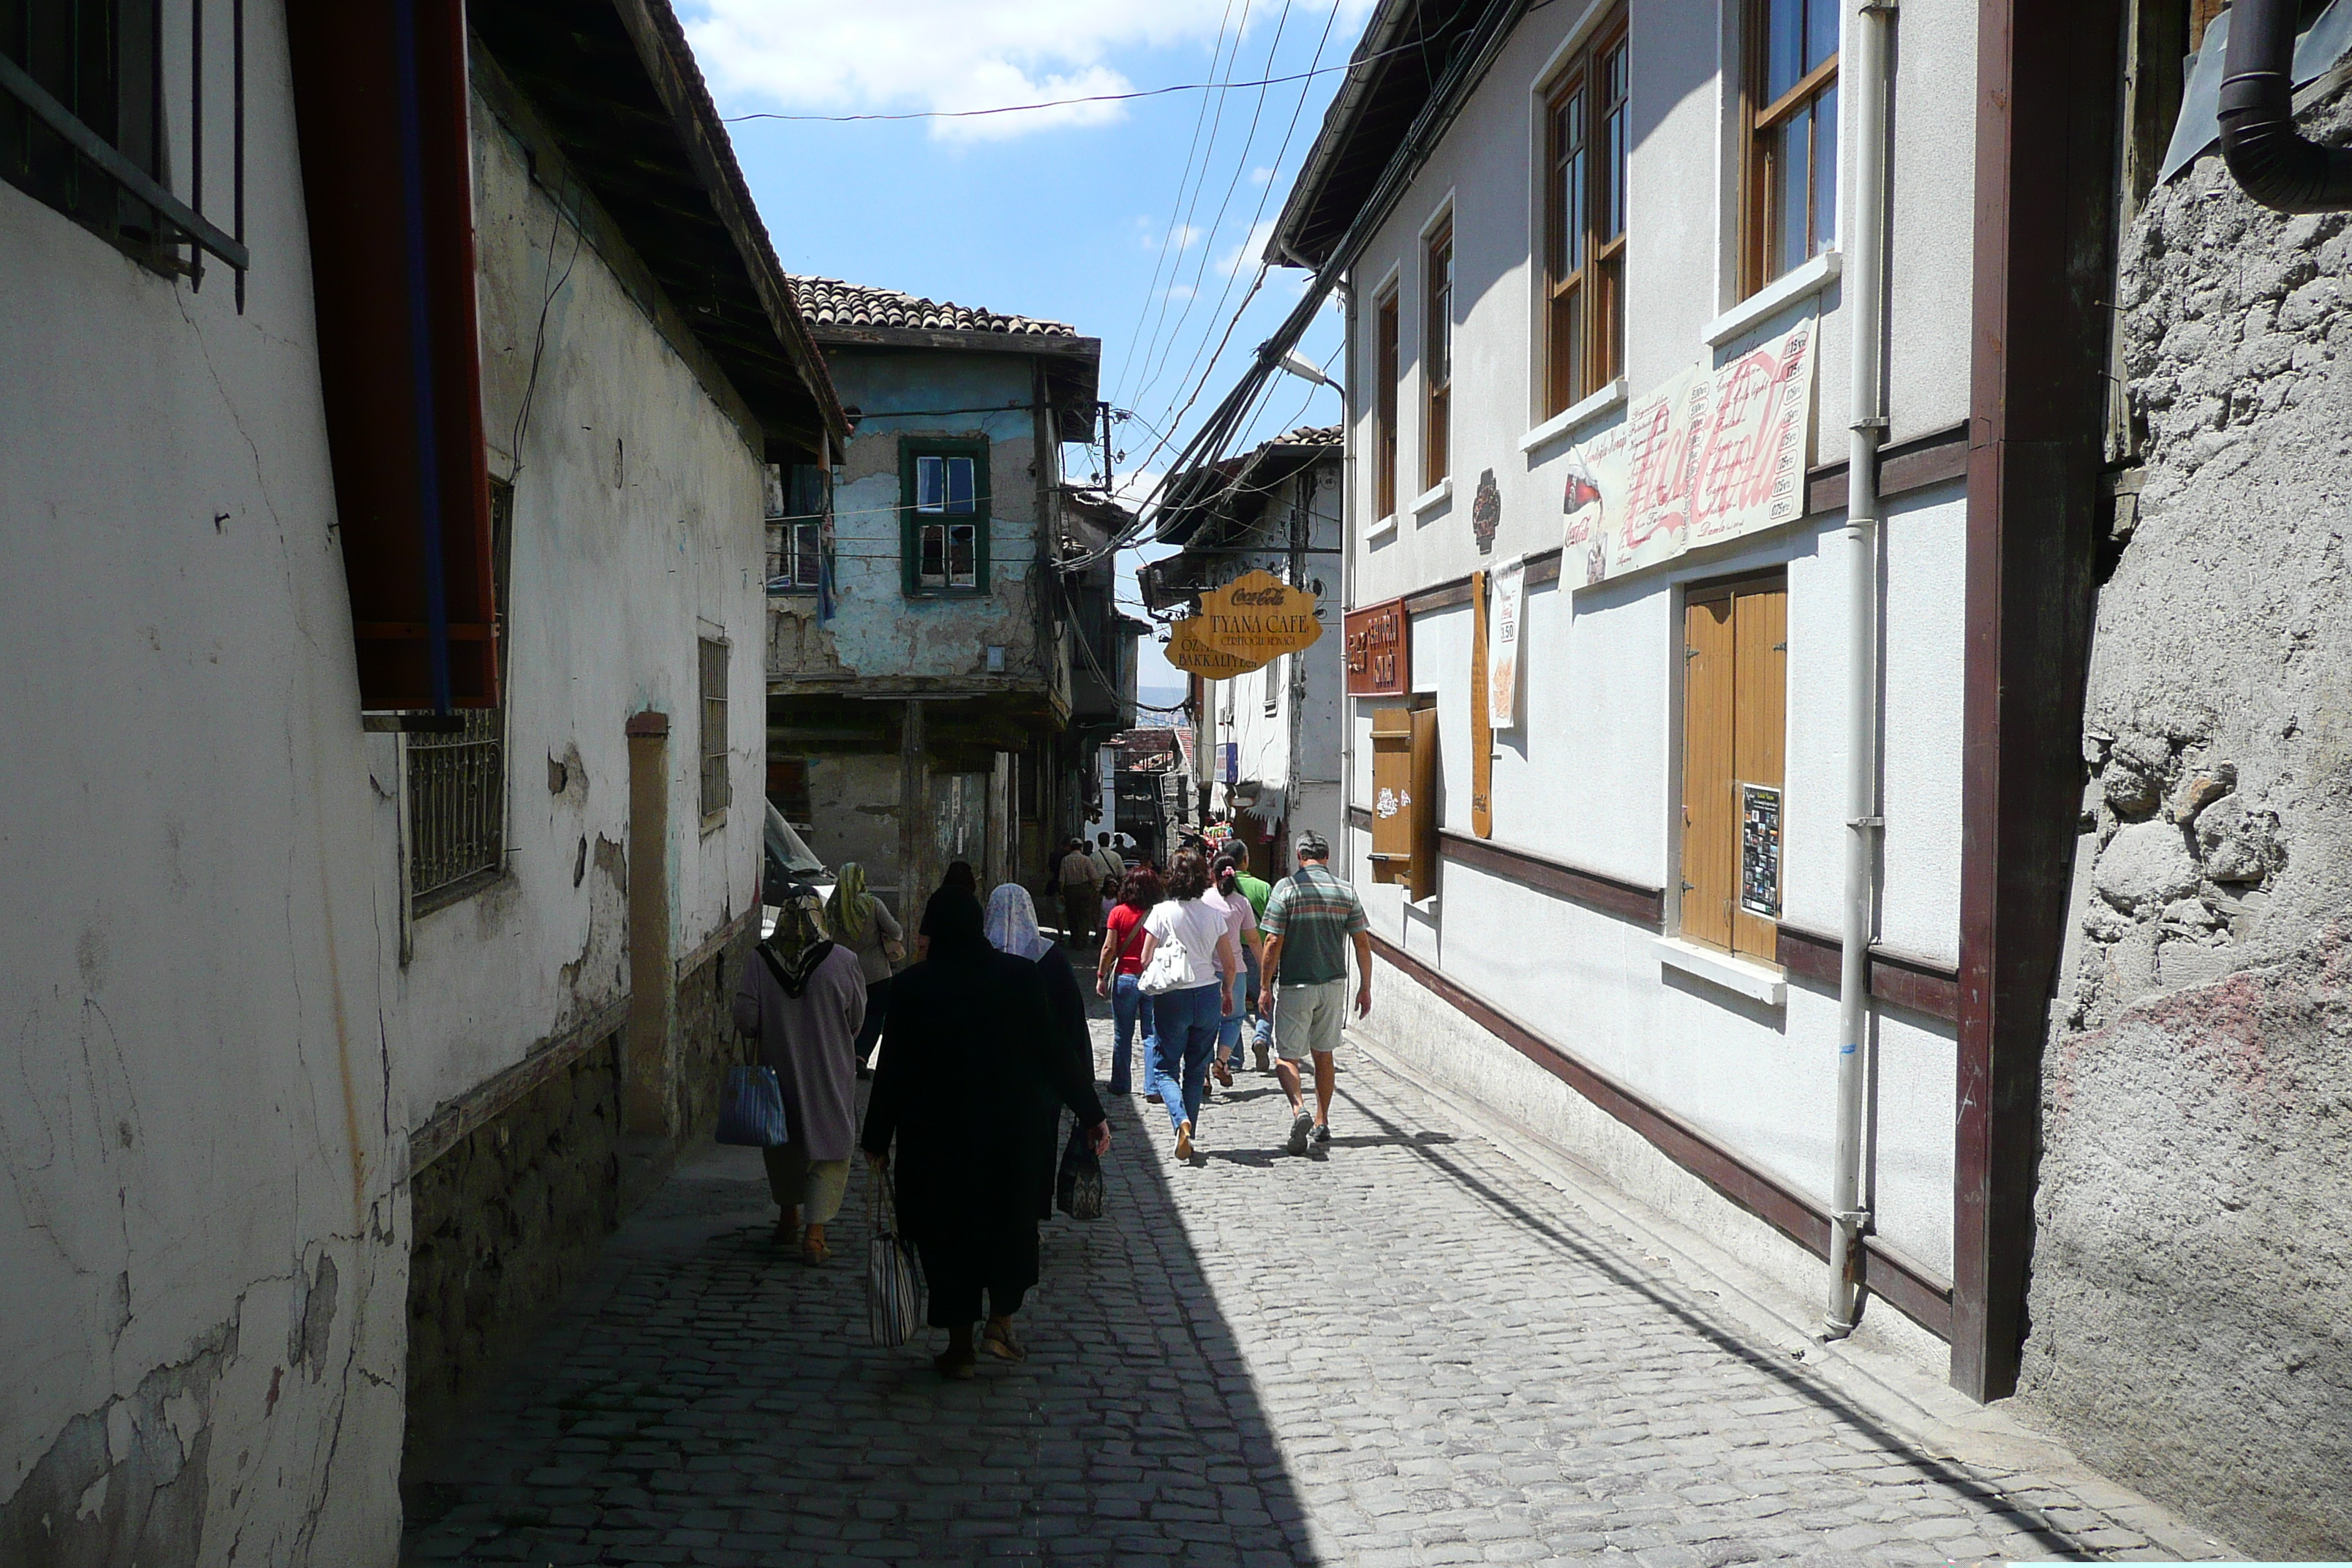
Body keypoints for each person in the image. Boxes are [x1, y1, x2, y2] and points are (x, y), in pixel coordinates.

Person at [862, 891, 1110, 1379]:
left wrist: (876, 1138)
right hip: (1011, 1138)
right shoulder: (1018, 977)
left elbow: (892, 1069)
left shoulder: (912, 986)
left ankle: (959, 1347)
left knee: (945, 1237)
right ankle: (1000, 1322)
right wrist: (1091, 1112)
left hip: (936, 1140)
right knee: (1010, 1229)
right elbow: (1055, 1050)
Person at [731, 902, 867, 1264]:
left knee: (783, 1143)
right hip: (829, 1070)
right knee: (829, 1146)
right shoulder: (843, 960)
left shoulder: (760, 961)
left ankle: (788, 1219)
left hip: (778, 1072)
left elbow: (746, 1020)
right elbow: (857, 1019)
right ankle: (815, 1234)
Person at [985, 885, 1096, 1224]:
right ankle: (1030, 1217)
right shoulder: (1051, 959)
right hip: (1043, 1078)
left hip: (990, 1075)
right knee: (1039, 1146)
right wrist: (1083, 1086)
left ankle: (993, 1211)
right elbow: (1073, 1021)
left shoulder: (978, 959)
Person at [1257, 831, 1372, 1154]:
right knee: (1325, 1055)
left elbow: (1272, 942)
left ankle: (1299, 1109)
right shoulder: (1345, 891)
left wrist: (1265, 986)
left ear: (1299, 857)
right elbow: (1362, 942)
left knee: (1286, 1056)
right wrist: (1365, 986)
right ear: (1327, 856)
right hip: (1334, 985)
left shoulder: (1286, 889)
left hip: (1296, 985)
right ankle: (1322, 1121)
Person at [1135, 848, 1240, 1162]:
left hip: (1174, 996)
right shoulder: (1214, 914)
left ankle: (1179, 1120)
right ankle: (1189, 1130)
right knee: (1196, 1069)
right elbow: (1229, 963)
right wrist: (1228, 991)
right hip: (1207, 992)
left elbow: (1144, 958)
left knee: (1166, 1068)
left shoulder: (1162, 912)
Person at [823, 862, 902, 1074]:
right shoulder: (873, 904)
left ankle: (841, 1057)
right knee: (875, 1015)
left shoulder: (831, 907)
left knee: (844, 1017)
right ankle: (861, 1056)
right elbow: (896, 931)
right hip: (876, 973)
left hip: (841, 972)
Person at [1094, 864, 1164, 1097]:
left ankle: (1121, 1083)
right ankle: (1153, 1085)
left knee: (1122, 1034)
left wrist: (1101, 976)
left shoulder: (1118, 912)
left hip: (1125, 977)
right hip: (1153, 978)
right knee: (1152, 1034)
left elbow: (1108, 948)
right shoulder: (1160, 912)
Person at [1207, 855, 1262, 1090]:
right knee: (1233, 1019)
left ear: (1213, 873)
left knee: (1204, 1024)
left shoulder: (1202, 900)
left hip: (1206, 970)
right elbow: (1253, 938)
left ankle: (1203, 1074)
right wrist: (1264, 968)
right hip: (1237, 971)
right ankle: (1222, 1061)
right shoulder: (1241, 903)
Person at [1229, 855, 1276, 1070]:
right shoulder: (1263, 887)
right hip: (1259, 952)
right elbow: (1274, 925)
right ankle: (1261, 1038)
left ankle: (1234, 1057)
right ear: (1246, 860)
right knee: (1264, 998)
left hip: (1230, 954)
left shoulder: (1220, 890)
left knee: (1232, 1006)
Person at [913, 861, 979, 962]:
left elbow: (925, 932)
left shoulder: (938, 897)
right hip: (967, 958)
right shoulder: (971, 900)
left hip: (938, 957)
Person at [1058, 839, 1101, 947]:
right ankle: (1082, 939)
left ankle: (1075, 938)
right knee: (1084, 915)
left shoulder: (1065, 860)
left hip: (1070, 890)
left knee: (1071, 915)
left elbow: (1062, 878)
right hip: (1084, 889)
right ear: (1081, 847)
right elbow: (1093, 876)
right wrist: (1096, 889)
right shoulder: (1086, 860)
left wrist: (1061, 893)